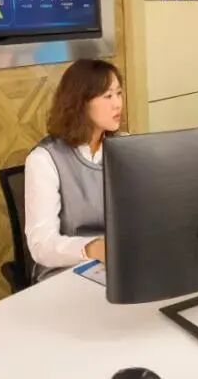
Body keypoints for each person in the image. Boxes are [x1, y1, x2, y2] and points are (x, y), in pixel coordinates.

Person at [24, 59, 123, 282]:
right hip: (66, 270)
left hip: (119, 263)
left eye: (119, 93)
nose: (117, 104)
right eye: (108, 96)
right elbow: (42, 245)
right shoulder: (44, 159)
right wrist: (93, 248)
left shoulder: (125, 148)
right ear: (80, 102)